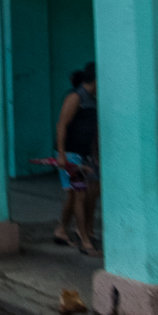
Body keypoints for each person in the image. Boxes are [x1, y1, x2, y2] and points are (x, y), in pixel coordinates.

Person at [54, 64, 100, 256]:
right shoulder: (76, 97)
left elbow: (94, 132)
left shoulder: (94, 100)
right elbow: (62, 125)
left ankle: (62, 230)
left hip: (86, 155)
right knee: (79, 194)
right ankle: (85, 241)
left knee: (86, 194)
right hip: (72, 154)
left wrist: (96, 158)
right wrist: (62, 154)